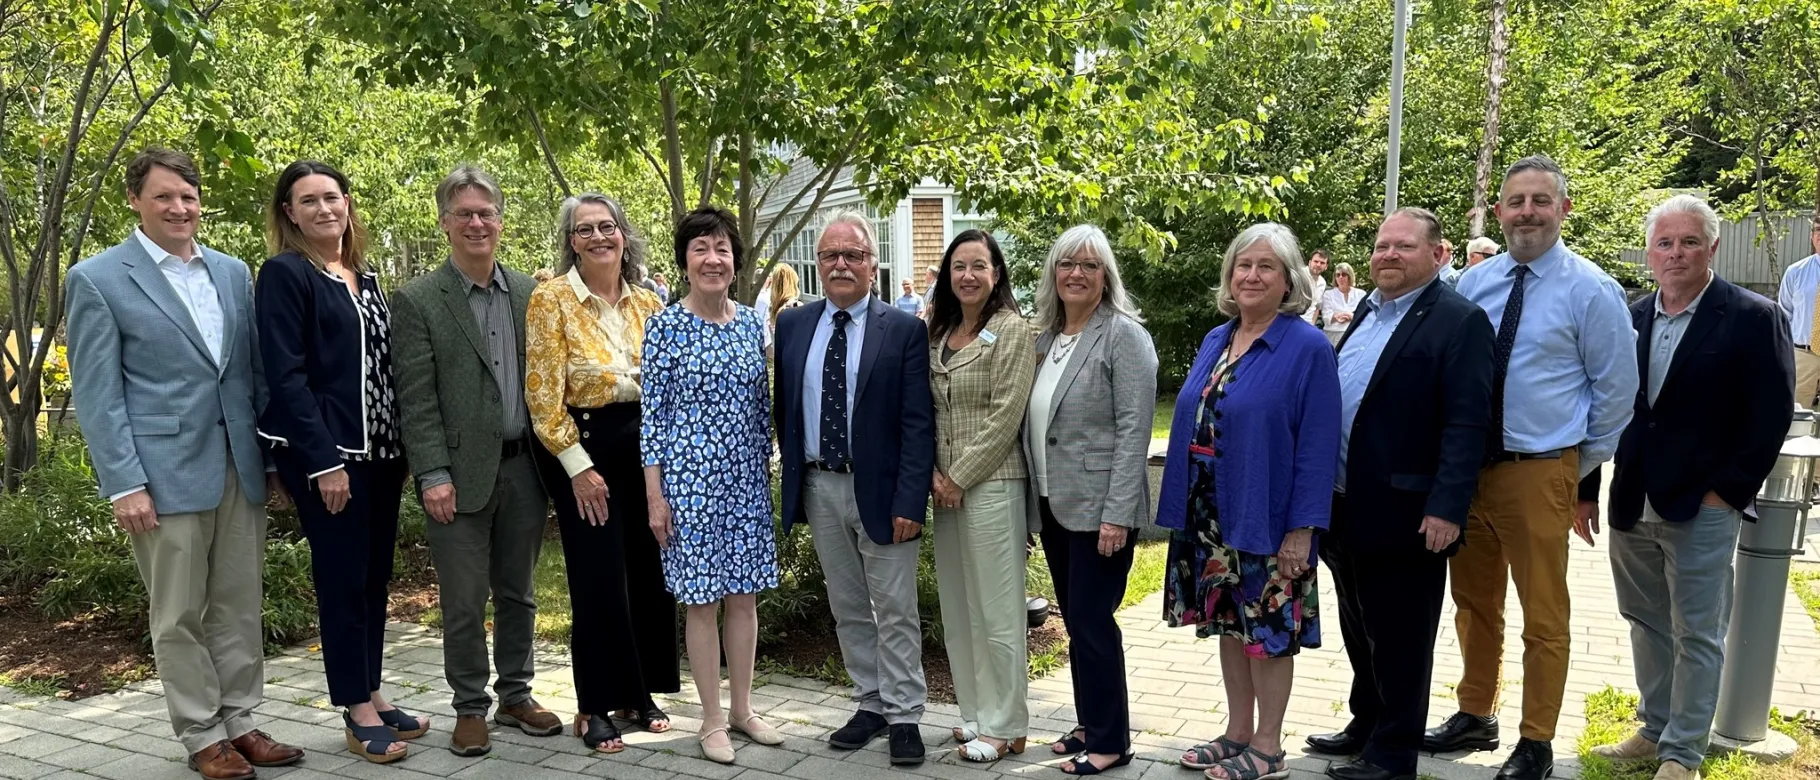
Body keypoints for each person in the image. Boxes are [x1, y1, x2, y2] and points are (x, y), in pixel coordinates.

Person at [65, 147, 305, 779]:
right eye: (165, 196)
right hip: (161, 475)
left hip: (238, 466)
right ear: (135, 200)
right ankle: (202, 734)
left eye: (189, 197)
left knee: (237, 604)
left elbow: (250, 374)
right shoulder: (98, 278)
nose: (180, 207)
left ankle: (243, 722)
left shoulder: (229, 272)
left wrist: (271, 461)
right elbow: (98, 393)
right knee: (178, 614)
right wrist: (124, 484)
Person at [1430, 154, 1638, 780]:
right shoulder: (1474, 284)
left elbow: (1617, 395)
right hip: (1471, 472)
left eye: (1540, 201)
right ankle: (1475, 712)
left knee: (1544, 615)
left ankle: (1538, 738)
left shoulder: (1591, 290)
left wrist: (1574, 465)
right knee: (1473, 602)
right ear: (1499, 212)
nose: (1527, 212)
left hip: (1540, 470)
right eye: (1516, 201)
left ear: (1563, 209)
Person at [1582, 196, 1792, 780]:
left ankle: (1683, 754)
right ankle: (1655, 729)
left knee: (1697, 632)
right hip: (1632, 500)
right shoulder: (1632, 313)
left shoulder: (1753, 316)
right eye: (1665, 243)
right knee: (1644, 619)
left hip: (1702, 504)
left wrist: (1727, 491)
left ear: (1713, 248)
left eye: (1689, 242)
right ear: (1649, 252)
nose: (1676, 254)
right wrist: (1587, 488)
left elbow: (1770, 414)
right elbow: (1607, 406)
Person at [1305, 209, 1494, 780]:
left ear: (1439, 256)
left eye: (1403, 247)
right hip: (1344, 500)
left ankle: (1393, 755)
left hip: (1410, 512)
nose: (1387, 255)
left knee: (1402, 636)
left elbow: (1468, 424)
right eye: (1381, 246)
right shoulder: (1367, 310)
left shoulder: (1460, 321)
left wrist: (1446, 507)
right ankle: (1366, 723)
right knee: (1360, 625)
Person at [255, 160, 427, 764]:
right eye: (309, 201)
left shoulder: (365, 276)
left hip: (382, 455)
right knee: (341, 580)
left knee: (374, 578)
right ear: (289, 213)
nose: (324, 209)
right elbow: (286, 376)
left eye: (332, 197)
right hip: (331, 459)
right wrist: (323, 461)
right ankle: (354, 711)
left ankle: (374, 692)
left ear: (348, 204)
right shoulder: (285, 274)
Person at [392, 165, 563, 757]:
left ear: (500, 221)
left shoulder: (530, 293)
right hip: (457, 478)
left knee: (518, 593)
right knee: (464, 601)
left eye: (485, 213)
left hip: (526, 469)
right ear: (444, 223)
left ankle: (516, 694)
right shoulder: (416, 300)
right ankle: (470, 706)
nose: (475, 222)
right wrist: (432, 474)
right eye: (463, 213)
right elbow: (415, 398)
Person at [1157, 223, 1337, 780]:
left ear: (1289, 281)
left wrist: (1302, 530)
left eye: (1266, 267)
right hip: (1211, 512)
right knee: (1230, 627)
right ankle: (1237, 731)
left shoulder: (1306, 347)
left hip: (1268, 514)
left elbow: (1318, 445)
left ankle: (1268, 746)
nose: (1252, 275)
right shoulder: (1217, 338)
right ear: (1229, 276)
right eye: (1243, 265)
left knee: (1268, 633)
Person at [774, 210, 935, 765]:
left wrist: (911, 499)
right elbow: (784, 411)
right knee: (847, 606)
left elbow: (919, 424)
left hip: (887, 497)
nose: (841, 264)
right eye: (830, 256)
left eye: (853, 255)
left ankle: (906, 714)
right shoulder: (795, 325)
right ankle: (870, 703)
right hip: (820, 487)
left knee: (895, 608)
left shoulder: (905, 329)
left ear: (873, 265)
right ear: (819, 265)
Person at [524, 194, 678, 754]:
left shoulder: (648, 304)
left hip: (645, 450)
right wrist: (579, 470)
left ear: (623, 234)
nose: (597, 237)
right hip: (583, 450)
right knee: (597, 578)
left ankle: (637, 692)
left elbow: (665, 390)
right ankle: (592, 705)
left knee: (645, 571)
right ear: (571, 241)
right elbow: (542, 397)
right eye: (584, 230)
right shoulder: (551, 299)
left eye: (606, 227)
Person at [642, 207, 784, 765]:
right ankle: (710, 720)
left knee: (744, 599)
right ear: (684, 262)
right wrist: (655, 497)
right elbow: (653, 419)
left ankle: (744, 710)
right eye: (700, 248)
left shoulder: (754, 323)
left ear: (735, 262)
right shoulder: (665, 326)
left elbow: (766, 406)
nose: (712, 258)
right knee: (701, 604)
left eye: (722, 248)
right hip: (688, 487)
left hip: (746, 480)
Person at [1027, 224, 1158, 776]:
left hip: (1100, 510)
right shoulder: (1044, 338)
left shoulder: (1124, 335)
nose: (1076, 274)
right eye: (1067, 264)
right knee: (1079, 622)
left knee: (1093, 622)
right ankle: (1088, 722)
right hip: (1055, 504)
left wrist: (1118, 514)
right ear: (1053, 273)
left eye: (1090, 265)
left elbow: (1135, 430)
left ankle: (1111, 742)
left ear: (1106, 278)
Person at [926, 230, 1038, 764]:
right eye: (958, 266)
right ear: (948, 276)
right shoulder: (941, 331)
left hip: (991, 483)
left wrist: (959, 476)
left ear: (996, 274)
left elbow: (1006, 414)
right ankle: (975, 715)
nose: (967, 275)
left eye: (979, 265)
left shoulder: (1012, 330)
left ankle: (1007, 724)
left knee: (997, 612)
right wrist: (934, 475)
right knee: (960, 608)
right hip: (945, 489)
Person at [1776, 223, 1820, 406]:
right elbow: (1784, 316)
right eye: (1818, 229)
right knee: (1797, 415)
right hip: (1803, 354)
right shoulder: (1796, 272)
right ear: (1812, 236)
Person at [1319, 263, 1367, 348]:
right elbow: (1326, 316)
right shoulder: (1328, 294)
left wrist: (1351, 316)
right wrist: (1337, 316)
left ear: (1350, 276)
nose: (1340, 277)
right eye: (1338, 275)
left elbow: (1364, 316)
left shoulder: (1361, 294)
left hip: (1354, 334)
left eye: (1344, 275)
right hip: (1332, 335)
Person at [1301, 249, 1330, 327]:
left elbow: (1317, 307)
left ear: (1326, 266)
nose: (1318, 265)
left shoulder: (1322, 283)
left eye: (1322, 263)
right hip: (1292, 322)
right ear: (1310, 262)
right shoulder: (1299, 276)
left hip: (1308, 324)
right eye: (1316, 261)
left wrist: (1312, 324)